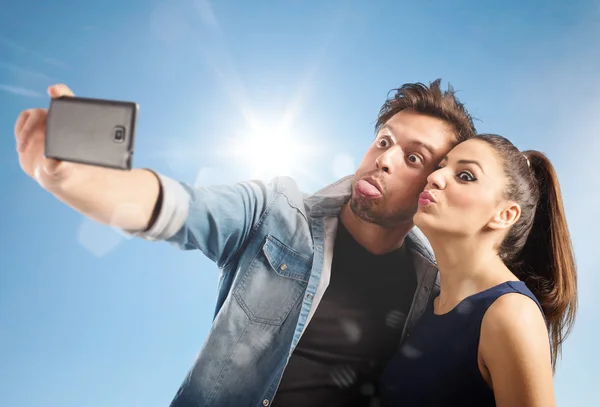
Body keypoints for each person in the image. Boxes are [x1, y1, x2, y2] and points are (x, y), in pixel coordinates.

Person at [14, 79, 476, 407]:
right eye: (383, 141)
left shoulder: (432, 286)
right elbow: (172, 207)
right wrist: (72, 178)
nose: (385, 160)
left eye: (413, 158)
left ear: (434, 183)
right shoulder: (273, 212)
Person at [378, 135, 578, 407]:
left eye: (465, 175)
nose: (435, 178)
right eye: (441, 166)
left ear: (505, 215)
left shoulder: (511, 314)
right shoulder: (424, 301)